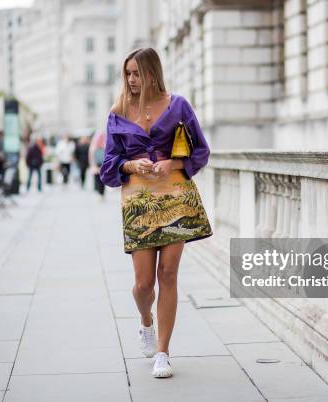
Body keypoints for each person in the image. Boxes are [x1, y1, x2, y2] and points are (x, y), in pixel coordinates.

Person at [99, 48, 212, 378]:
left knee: (168, 274)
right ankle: (146, 321)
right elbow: (107, 168)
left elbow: (201, 151)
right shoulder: (118, 113)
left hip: (176, 196)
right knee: (143, 283)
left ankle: (163, 352)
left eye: (137, 73)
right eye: (128, 74)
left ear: (152, 73)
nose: (131, 80)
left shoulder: (178, 106)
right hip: (138, 201)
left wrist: (173, 163)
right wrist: (131, 163)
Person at [89, 130, 106, 199]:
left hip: (103, 165)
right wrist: (93, 165)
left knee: (102, 180)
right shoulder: (93, 146)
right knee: (97, 179)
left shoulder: (105, 145)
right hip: (95, 165)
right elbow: (91, 156)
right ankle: (99, 193)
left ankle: (102, 194)